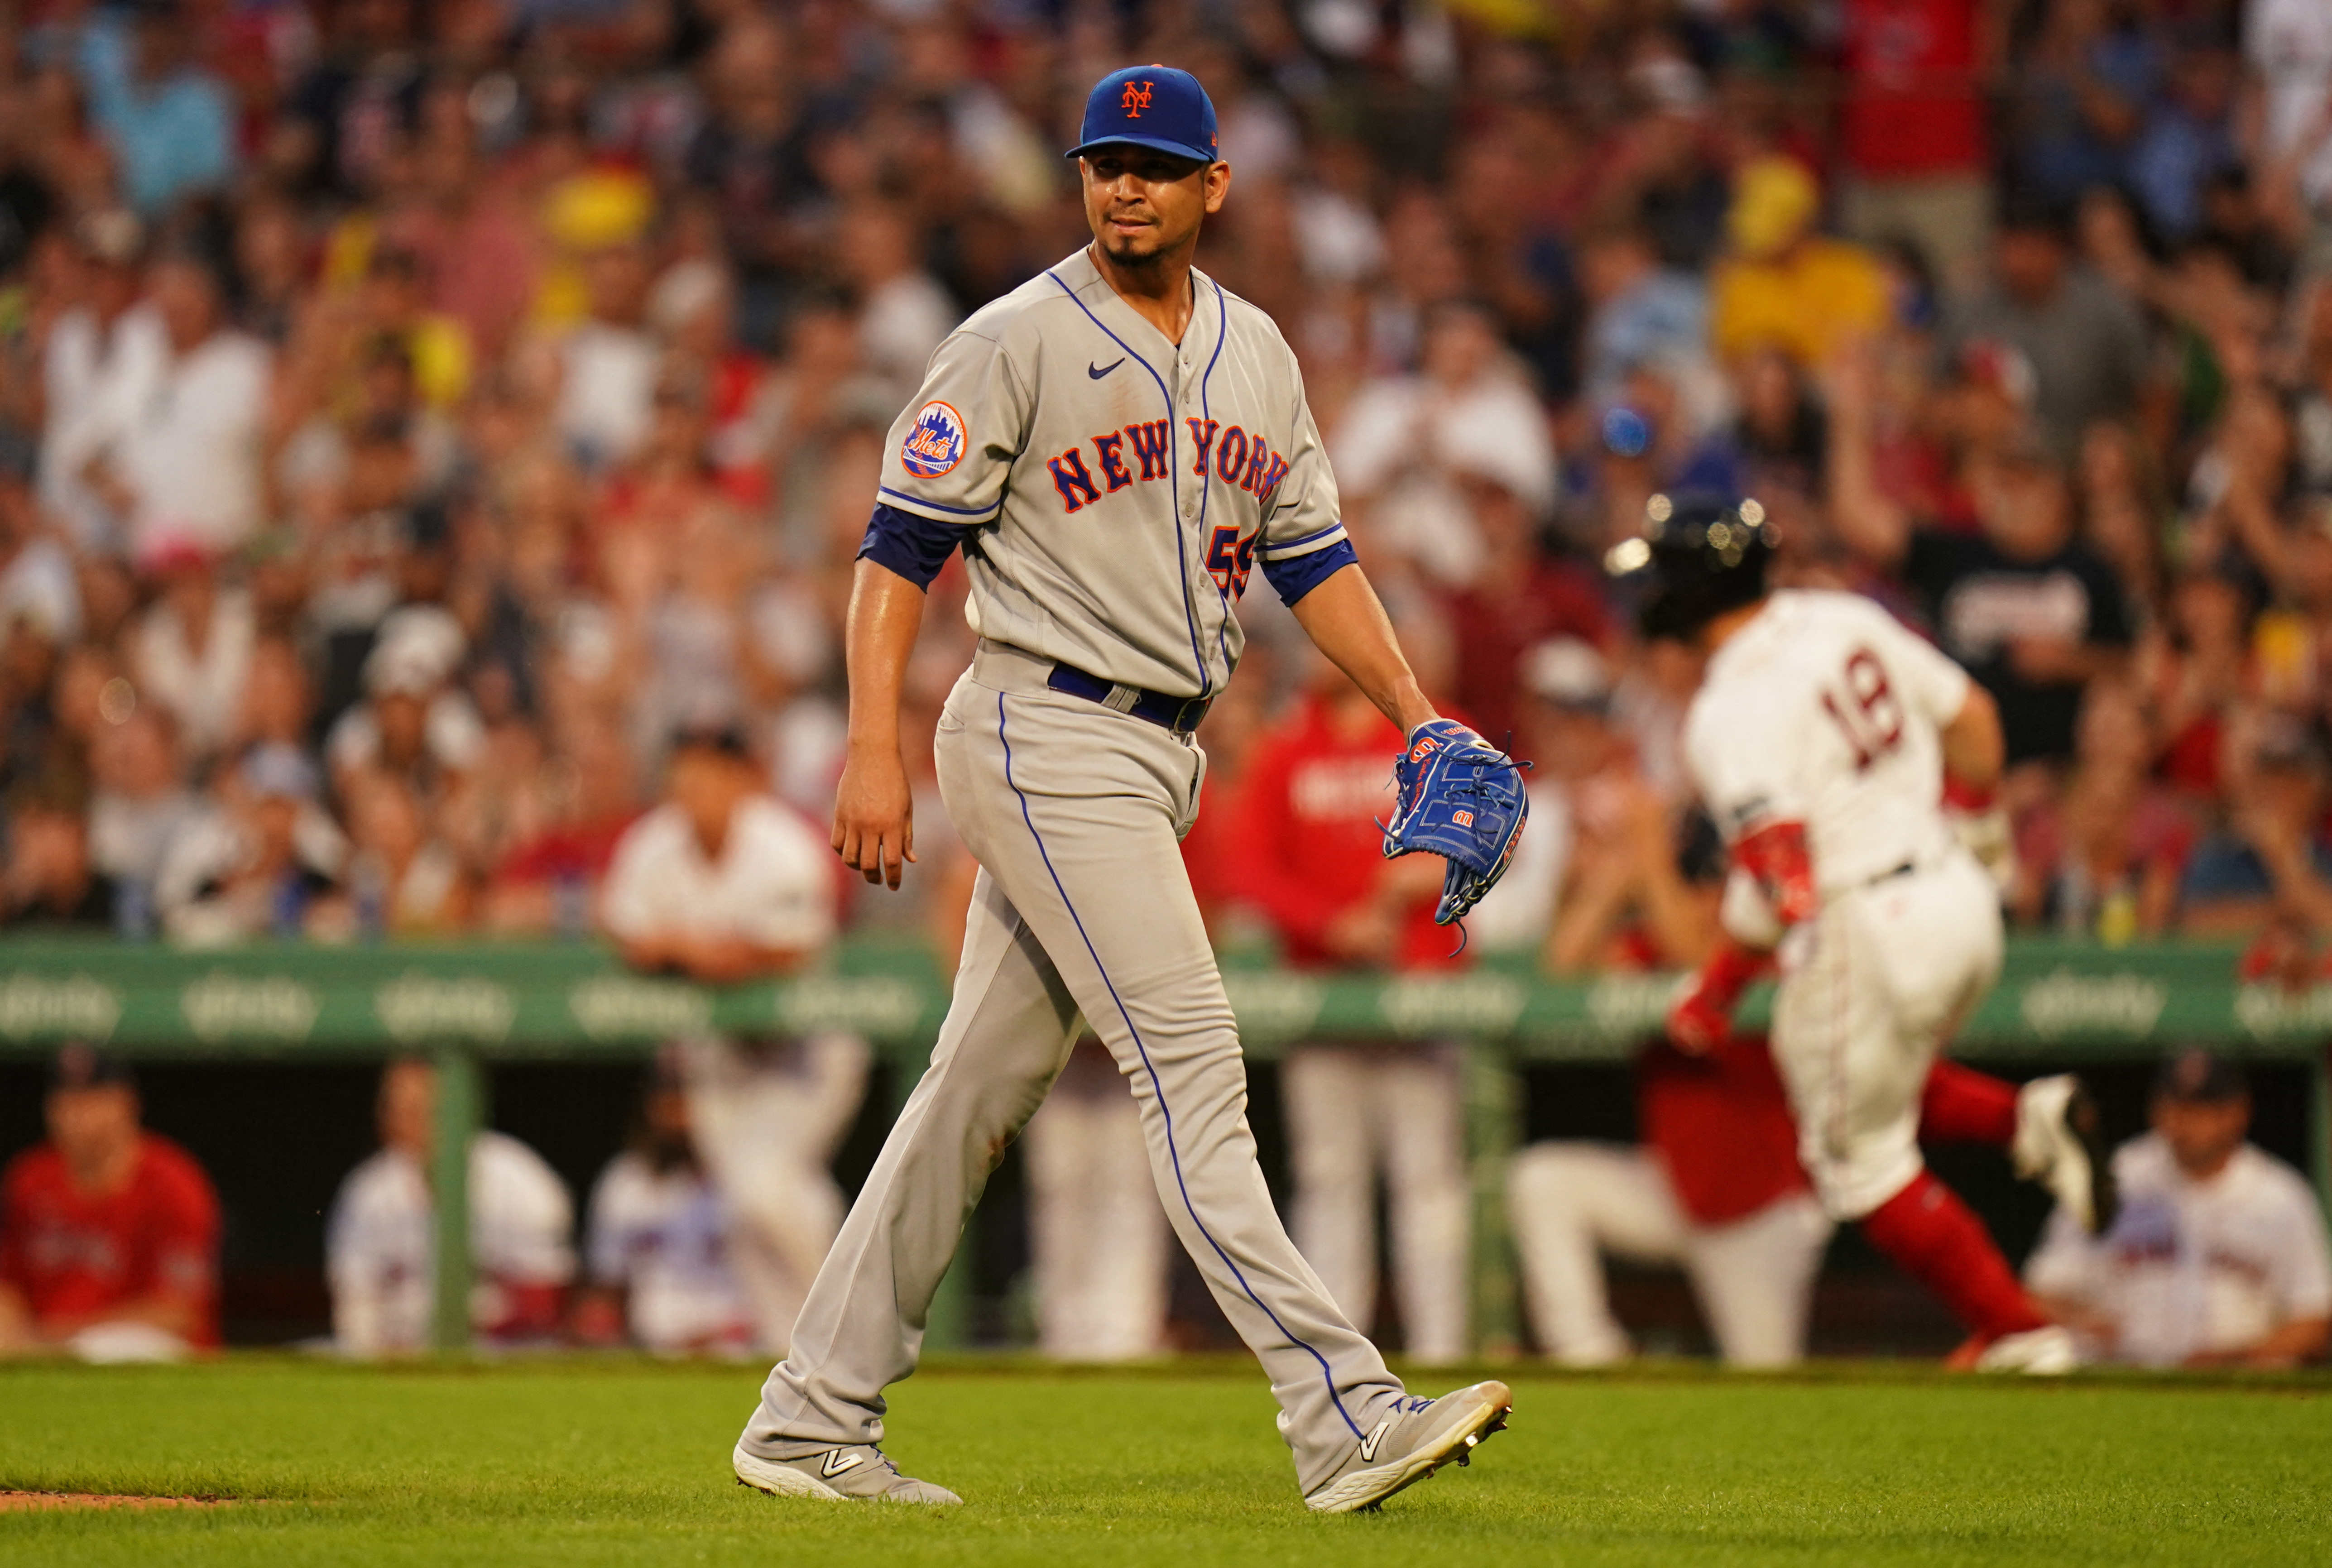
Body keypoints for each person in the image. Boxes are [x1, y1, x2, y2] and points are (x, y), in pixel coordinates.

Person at [732, 67, 1513, 1513]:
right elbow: (896, 548)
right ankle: (1341, 1412)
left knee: (974, 1084)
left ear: (1215, 185)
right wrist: (871, 742)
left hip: (1155, 753)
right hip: (1044, 722)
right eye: (1106, 163)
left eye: (1156, 164)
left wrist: (1416, 711)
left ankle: (808, 1413)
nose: (1126, 187)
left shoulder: (1258, 352)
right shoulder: (1013, 336)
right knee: (1195, 1061)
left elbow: (1315, 561)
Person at [1636, 495, 2114, 1372]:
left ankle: (2018, 1333)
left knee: (1854, 1159)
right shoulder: (1839, 613)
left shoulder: (1727, 709)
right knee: (1853, 1068)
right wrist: (1983, 846)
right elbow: (1974, 721)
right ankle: (2027, 1120)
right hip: (1955, 893)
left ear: (1688, 592)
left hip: (1865, 919)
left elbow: (1784, 882)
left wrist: (1718, 986)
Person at [1228, 656, 1471, 1365]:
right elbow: (1250, 869)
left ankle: (1444, 1354)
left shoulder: (1431, 730)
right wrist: (1330, 924)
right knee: (1329, 1179)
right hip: (1324, 994)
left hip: (1422, 983)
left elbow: (1497, 829)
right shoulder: (1286, 746)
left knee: (1428, 1178)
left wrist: (1430, 870)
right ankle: (1339, 1367)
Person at [600, 724, 865, 1357]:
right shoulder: (655, 842)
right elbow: (625, 928)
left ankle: (844, 1333)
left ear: (738, 780)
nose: (690, 795)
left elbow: (785, 947)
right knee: (744, 1209)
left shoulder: (779, 843)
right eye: (680, 782)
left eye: (704, 780)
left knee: (765, 1186)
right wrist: (703, 950)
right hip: (719, 1055)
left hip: (806, 1050)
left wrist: (691, 948)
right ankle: (791, 1355)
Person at [2029, 1050, 2331, 1368]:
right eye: (2176, 1105)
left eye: (2203, 1109)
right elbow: (2038, 1294)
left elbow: (2316, 1319)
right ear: (2156, 1108)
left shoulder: (2279, 1196)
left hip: (2241, 1383)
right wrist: (2084, 1321)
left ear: (2239, 1112)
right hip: (2122, 1377)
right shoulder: (2114, 1180)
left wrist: (2237, 1356)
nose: (2185, 1122)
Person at [326, 1057, 574, 1357]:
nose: (401, 1121)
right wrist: (378, 1349)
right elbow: (356, 1301)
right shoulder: (369, 1189)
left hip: (500, 1351)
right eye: (393, 1109)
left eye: (418, 1109)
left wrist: (454, 1335)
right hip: (398, 1353)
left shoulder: (519, 1178)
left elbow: (544, 1302)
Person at [0, 1044, 219, 1361]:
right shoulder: (30, 1178)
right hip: (43, 1345)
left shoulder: (173, 1183)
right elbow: (9, 1285)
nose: (78, 1115)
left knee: (110, 1346)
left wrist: (57, 1340)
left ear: (127, 1103)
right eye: (67, 1101)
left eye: (93, 1100)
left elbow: (177, 1312)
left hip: (147, 1353)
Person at [576, 1050, 758, 1357]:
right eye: (665, 1094)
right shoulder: (628, 1182)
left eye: (685, 1094)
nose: (675, 1110)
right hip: (650, 1352)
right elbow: (606, 1294)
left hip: (746, 1351)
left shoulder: (764, 1184)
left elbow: (802, 1299)